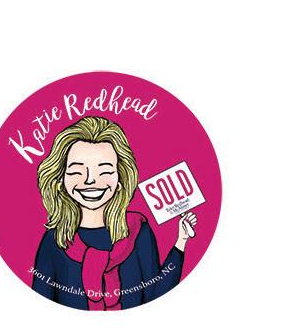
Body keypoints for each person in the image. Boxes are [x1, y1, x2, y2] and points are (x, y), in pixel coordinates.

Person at [28, 118, 194, 309]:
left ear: (120, 178)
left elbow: (156, 296)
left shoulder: (138, 231)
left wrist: (181, 241)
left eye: (105, 171)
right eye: (77, 171)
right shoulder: (55, 240)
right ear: (60, 180)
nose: (90, 180)